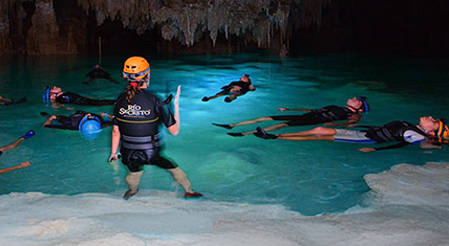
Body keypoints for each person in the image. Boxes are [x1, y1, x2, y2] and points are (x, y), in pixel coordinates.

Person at [108, 56, 202, 199]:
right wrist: (175, 106)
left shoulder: (120, 100)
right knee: (173, 167)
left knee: (134, 173)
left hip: (128, 152)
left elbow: (116, 131)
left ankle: (132, 191)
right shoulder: (155, 100)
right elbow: (175, 131)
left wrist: (114, 153)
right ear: (147, 76)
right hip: (150, 151)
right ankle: (189, 191)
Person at [253, 116, 446, 153]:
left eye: (433, 120)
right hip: (365, 133)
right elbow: (387, 127)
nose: (430, 116)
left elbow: (400, 144)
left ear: (431, 130)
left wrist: (375, 149)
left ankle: (274, 137)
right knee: (319, 134)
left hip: (366, 138)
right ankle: (274, 137)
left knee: (319, 132)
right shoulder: (413, 127)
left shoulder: (418, 136)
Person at [215, 96, 369, 137]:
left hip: (312, 120)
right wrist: (288, 108)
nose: (354, 98)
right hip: (308, 115)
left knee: (282, 125)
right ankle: (232, 125)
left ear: (359, 109)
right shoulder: (337, 107)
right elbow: (311, 109)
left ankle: (245, 133)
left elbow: (350, 125)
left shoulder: (352, 115)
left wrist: (332, 126)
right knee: (265, 117)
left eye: (358, 100)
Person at [43, 86, 116, 106]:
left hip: (87, 100)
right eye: (53, 88)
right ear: (52, 95)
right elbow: (63, 103)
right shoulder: (61, 98)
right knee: (113, 102)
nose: (55, 86)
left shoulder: (64, 95)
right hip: (87, 102)